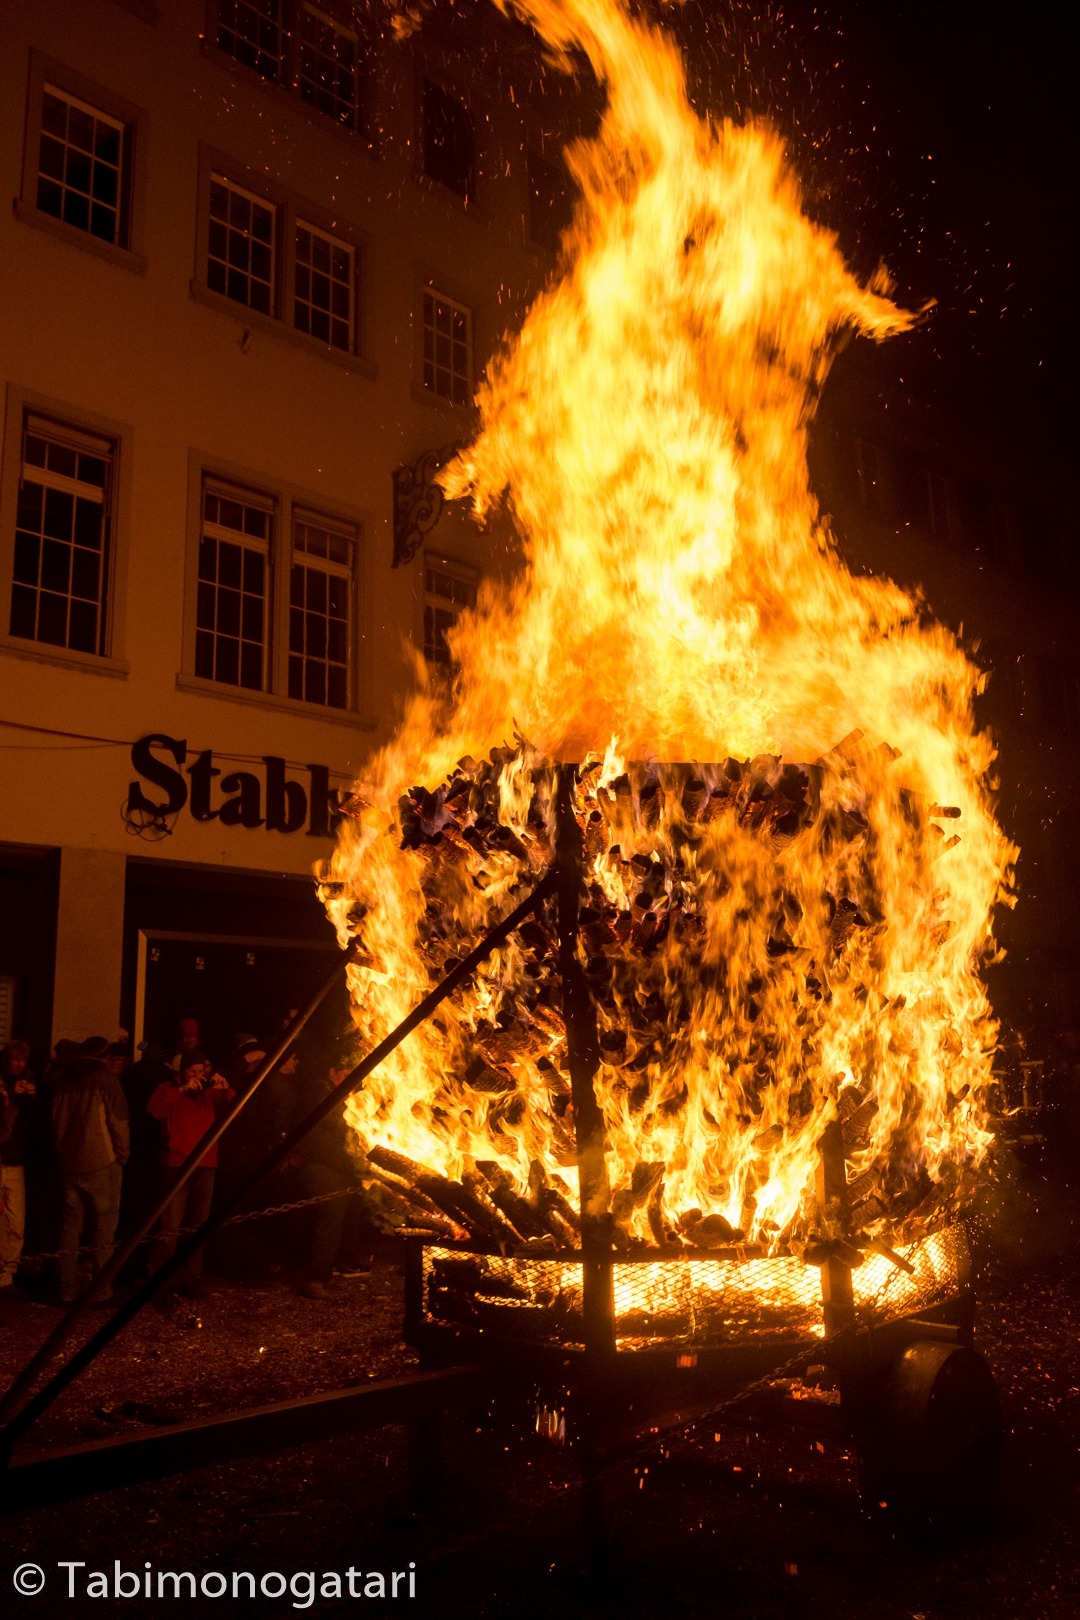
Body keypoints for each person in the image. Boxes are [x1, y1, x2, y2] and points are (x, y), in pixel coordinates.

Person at [147, 1048, 234, 1299]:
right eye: (192, 1071)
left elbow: (237, 1111)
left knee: (199, 1225)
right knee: (170, 1227)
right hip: (178, 1163)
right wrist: (181, 1090)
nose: (197, 1075)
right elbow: (155, 1109)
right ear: (183, 1072)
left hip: (207, 1162)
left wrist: (226, 1089)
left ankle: (191, 1277)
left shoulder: (211, 1092)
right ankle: (158, 1281)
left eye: (200, 1070)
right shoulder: (169, 1088)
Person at [51, 1053, 130, 1305]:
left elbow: (54, 1122)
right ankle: (101, 1290)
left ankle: (66, 1289)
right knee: (103, 1228)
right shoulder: (106, 1080)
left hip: (69, 1162)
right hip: (100, 1161)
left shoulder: (63, 1082)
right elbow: (118, 1121)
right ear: (102, 1058)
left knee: (70, 1227)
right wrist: (122, 1154)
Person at [0, 1040, 38, 1296]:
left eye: (22, 1060)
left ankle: (6, 1276)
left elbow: (33, 1124)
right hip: (2, 1157)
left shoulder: (28, 1081)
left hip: (16, 1160)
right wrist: (10, 1096)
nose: (18, 1064)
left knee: (16, 1221)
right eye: (14, 1059)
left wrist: (33, 1097)